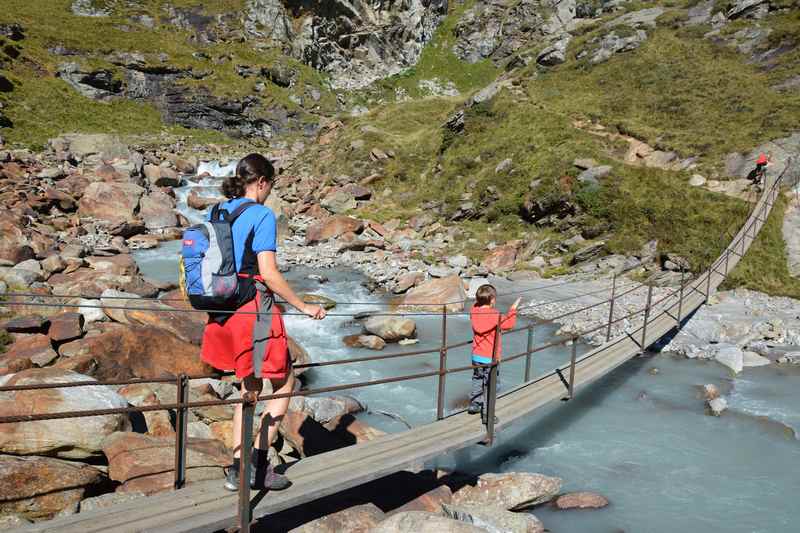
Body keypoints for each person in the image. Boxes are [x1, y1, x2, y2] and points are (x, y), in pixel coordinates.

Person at [200, 153, 327, 492]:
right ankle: (255, 467)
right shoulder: (262, 214)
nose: (270, 191)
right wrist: (302, 306)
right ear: (261, 182)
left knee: (248, 389)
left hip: (223, 308)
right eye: (270, 185)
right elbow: (268, 273)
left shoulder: (217, 210)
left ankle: (237, 469)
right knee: (284, 384)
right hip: (253, 311)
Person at [469, 285, 520, 422]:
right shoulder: (495, 315)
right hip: (490, 358)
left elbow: (475, 305)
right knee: (491, 385)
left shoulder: (473, 312)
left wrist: (479, 301)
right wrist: (513, 309)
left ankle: (474, 404)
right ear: (492, 300)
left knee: (478, 379)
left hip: (476, 356)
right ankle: (487, 414)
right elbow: (509, 324)